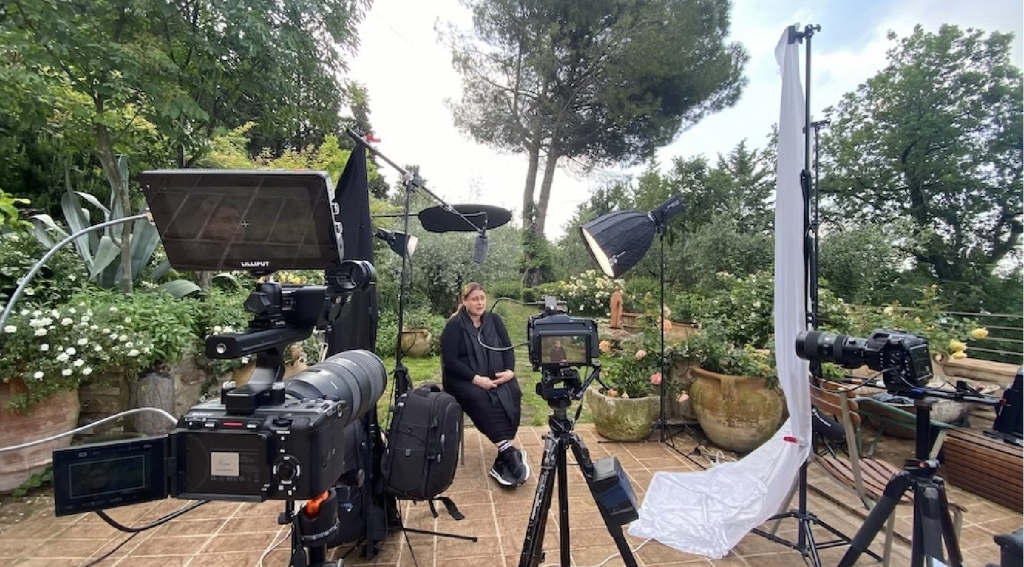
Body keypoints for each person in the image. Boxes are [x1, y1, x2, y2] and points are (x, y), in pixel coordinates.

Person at [440, 282, 529, 487]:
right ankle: (508, 450)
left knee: (513, 391)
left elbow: (507, 347)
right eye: (474, 299)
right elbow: (450, 361)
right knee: (479, 397)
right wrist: (476, 379)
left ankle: (505, 452)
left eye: (482, 298)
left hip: (494, 375)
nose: (479, 303)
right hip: (462, 379)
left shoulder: (494, 320)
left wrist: (510, 371)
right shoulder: (454, 326)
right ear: (464, 301)